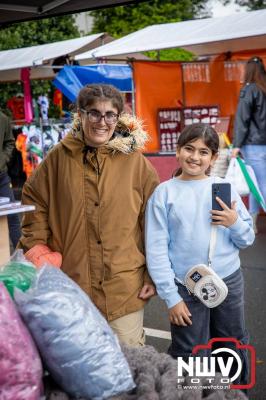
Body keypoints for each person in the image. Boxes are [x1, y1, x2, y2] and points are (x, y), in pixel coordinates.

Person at [18, 84, 160, 347]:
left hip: (124, 287)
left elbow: (155, 222)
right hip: (72, 285)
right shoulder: (57, 159)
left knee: (130, 366)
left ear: (119, 117)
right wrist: (38, 249)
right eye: (93, 113)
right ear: (80, 115)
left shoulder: (136, 163)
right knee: (81, 368)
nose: (102, 122)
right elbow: (34, 201)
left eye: (109, 114)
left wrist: (153, 274)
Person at [145, 123, 255, 386]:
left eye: (204, 152)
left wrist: (234, 222)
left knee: (231, 343)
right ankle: (200, 393)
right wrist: (171, 298)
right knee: (191, 349)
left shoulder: (224, 188)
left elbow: (247, 238)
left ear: (214, 158)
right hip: (186, 286)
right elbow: (157, 249)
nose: (195, 157)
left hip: (227, 280)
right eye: (189, 149)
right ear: (178, 151)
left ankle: (235, 393)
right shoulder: (164, 193)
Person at [232, 56, 266, 233]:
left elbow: (242, 119)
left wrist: (236, 145)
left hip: (253, 146)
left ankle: (252, 221)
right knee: (256, 184)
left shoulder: (249, 90)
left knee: (260, 185)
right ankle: (252, 221)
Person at [0, 110, 21, 248]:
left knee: (13, 216)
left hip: (1, 177)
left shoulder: (2, 118)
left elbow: (10, 142)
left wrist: (3, 160)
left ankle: (22, 258)